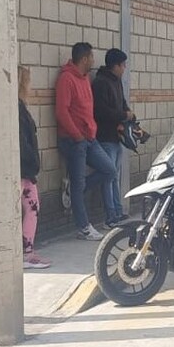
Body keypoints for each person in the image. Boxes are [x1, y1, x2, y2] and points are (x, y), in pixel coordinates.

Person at [55, 42, 119, 240]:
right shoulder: (67, 79)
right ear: (84, 59)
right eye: (91, 57)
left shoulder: (84, 79)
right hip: (74, 141)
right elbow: (61, 111)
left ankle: (75, 188)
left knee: (109, 170)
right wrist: (76, 135)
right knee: (78, 183)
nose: (94, 60)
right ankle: (84, 227)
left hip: (90, 139)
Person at [92, 48, 134, 226]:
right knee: (108, 177)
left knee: (114, 175)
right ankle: (110, 216)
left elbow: (122, 103)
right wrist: (122, 116)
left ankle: (118, 210)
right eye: (122, 65)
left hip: (116, 137)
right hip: (105, 137)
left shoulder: (116, 82)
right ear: (115, 65)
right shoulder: (101, 82)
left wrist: (129, 113)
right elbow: (101, 111)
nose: (124, 68)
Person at [19, 66, 51, 269]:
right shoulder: (17, 109)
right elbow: (22, 142)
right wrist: (33, 161)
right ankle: (26, 253)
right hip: (23, 170)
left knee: (32, 207)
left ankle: (27, 251)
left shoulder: (20, 107)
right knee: (31, 208)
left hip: (25, 169)